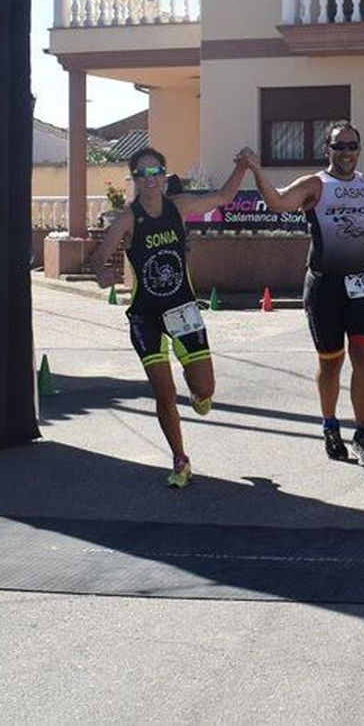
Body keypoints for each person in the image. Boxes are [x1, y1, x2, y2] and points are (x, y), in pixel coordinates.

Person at [244, 124, 364, 469]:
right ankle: (330, 426)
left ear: (359, 148)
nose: (347, 152)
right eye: (339, 146)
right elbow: (277, 203)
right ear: (328, 149)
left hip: (363, 284)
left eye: (353, 145)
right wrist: (256, 170)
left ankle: (363, 435)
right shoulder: (315, 185)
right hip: (326, 287)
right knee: (331, 363)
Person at [89, 146, 252, 487]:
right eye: (142, 174)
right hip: (145, 317)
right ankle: (180, 459)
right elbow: (99, 255)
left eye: (155, 172)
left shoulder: (178, 208)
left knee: (204, 390)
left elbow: (222, 197)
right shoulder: (128, 218)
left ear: (164, 176)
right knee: (163, 392)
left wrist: (242, 167)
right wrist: (102, 272)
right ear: (134, 179)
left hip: (182, 310)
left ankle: (199, 395)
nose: (149, 180)